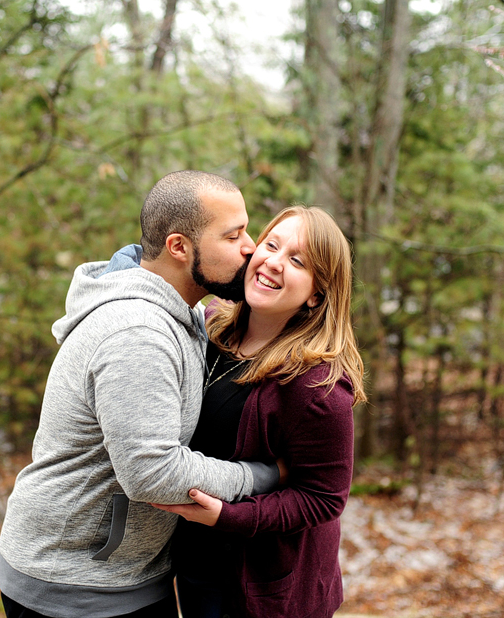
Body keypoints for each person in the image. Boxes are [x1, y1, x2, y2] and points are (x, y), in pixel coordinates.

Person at [0, 171, 282, 618]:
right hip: (75, 582)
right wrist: (261, 477)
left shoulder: (178, 311)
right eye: (233, 235)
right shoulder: (138, 334)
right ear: (179, 247)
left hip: (120, 571)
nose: (251, 247)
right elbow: (153, 473)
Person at [152, 205, 366, 618]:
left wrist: (228, 516)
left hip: (269, 588)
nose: (274, 262)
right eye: (271, 244)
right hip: (198, 564)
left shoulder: (315, 384)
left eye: (298, 261)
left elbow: (323, 498)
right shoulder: (208, 323)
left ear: (317, 293)